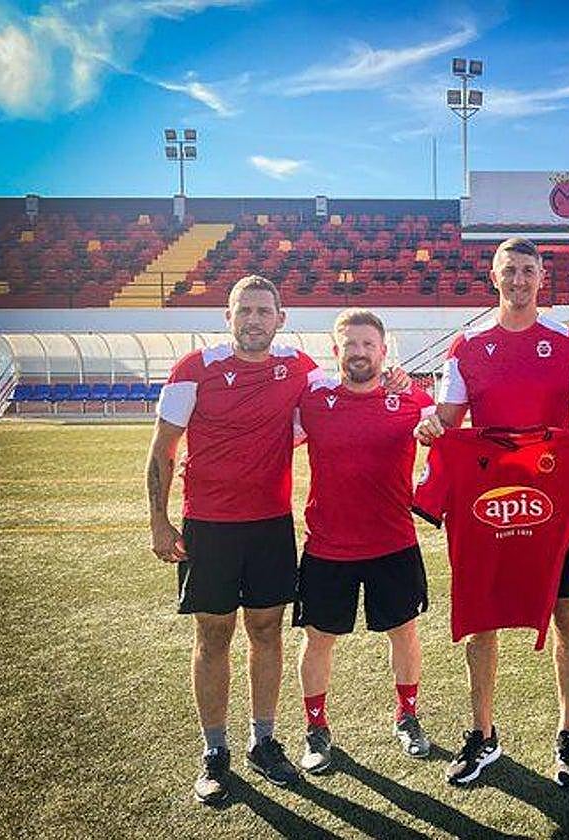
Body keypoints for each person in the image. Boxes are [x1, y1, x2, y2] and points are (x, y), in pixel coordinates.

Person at [413, 237, 569, 787]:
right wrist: (433, 427)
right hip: (487, 503)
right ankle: (483, 735)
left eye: (528, 270)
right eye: (510, 270)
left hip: (547, 500)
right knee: (481, 618)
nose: (519, 279)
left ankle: (568, 734)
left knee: (566, 614)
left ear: (540, 278)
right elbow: (447, 416)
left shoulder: (567, 342)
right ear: (493, 275)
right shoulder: (466, 344)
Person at [147, 275, 319, 803]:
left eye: (264, 311)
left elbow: (346, 397)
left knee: (267, 631)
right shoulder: (193, 368)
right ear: (228, 316)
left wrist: (400, 383)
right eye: (244, 310)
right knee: (214, 635)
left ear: (280, 319)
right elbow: (162, 451)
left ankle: (263, 742)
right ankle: (214, 751)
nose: (253, 320)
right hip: (210, 526)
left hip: (270, 524)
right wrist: (159, 519)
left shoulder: (300, 368)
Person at [292, 308, 435, 774]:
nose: (358, 352)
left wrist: (411, 387)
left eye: (367, 344)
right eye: (349, 344)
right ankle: (316, 728)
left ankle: (407, 715)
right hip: (327, 546)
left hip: (393, 542)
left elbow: (446, 428)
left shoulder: (409, 400)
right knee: (319, 640)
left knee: (404, 633)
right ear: (336, 351)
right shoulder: (312, 400)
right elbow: (267, 435)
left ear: (383, 350)